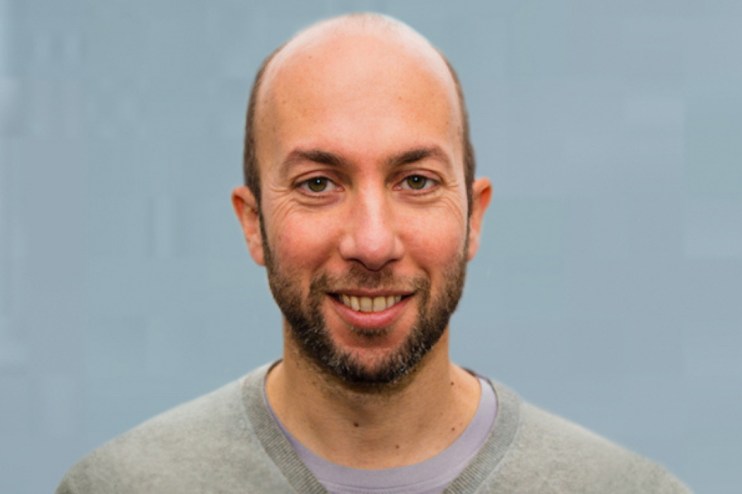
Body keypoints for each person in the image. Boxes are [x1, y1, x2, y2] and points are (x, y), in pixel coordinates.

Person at [57, 13, 691, 494]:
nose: (371, 243)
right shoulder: (120, 486)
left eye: (415, 181)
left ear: (474, 217)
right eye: (318, 184)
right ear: (253, 225)